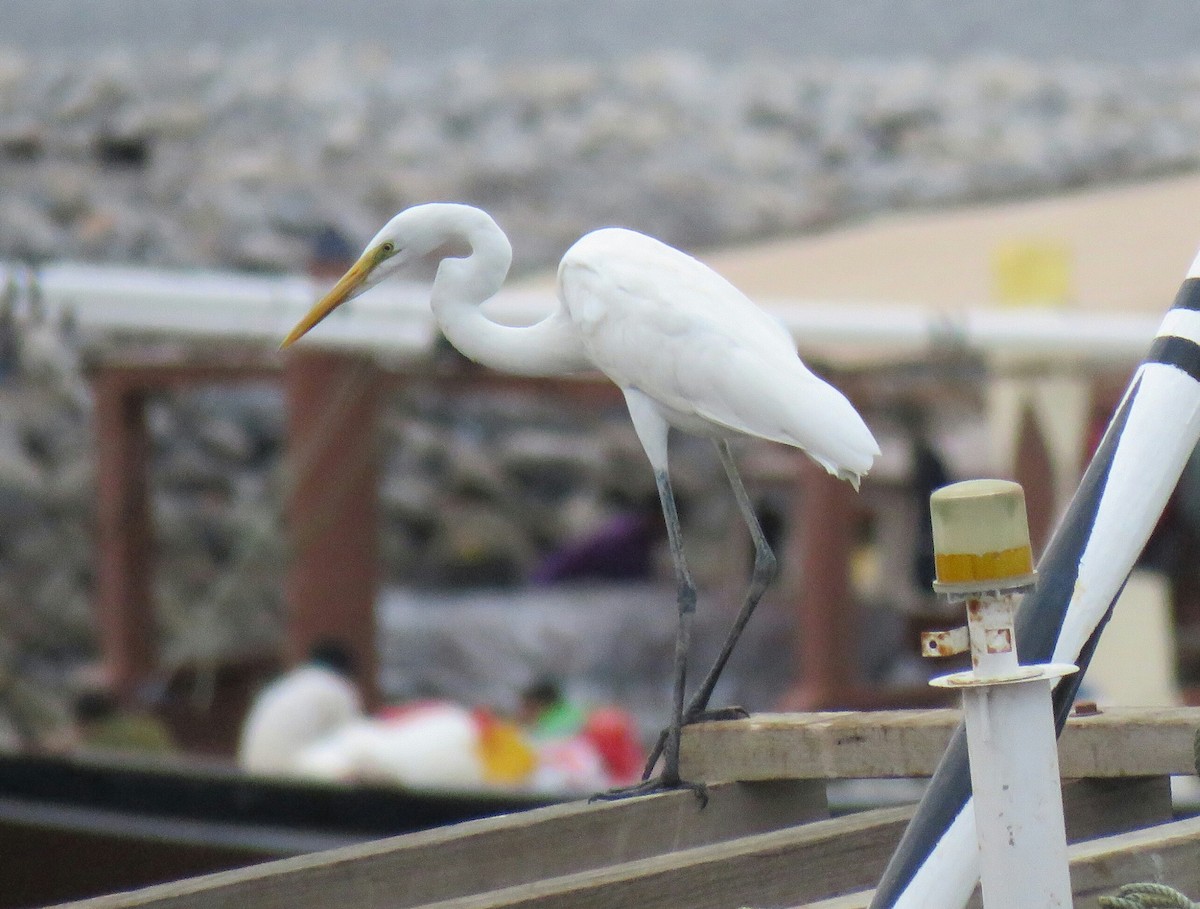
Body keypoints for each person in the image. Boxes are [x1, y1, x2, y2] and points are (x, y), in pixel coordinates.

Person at [237, 640, 363, 776]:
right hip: (290, 773)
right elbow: (354, 739)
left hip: (251, 769)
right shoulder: (338, 687)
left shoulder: (290, 681)